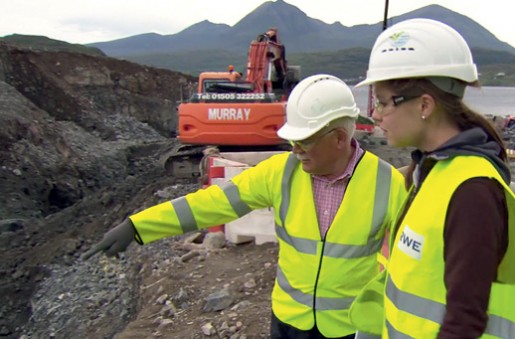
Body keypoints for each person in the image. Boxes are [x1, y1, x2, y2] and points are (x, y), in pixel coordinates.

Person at [82, 74, 408, 339]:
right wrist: (138, 227)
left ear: (339, 138)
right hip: (288, 323)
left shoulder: (387, 184)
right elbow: (210, 205)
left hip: (348, 330)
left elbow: (405, 268)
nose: (295, 149)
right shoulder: (279, 173)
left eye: (304, 140)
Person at [350, 19, 515, 338]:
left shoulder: (472, 191)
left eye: (382, 102)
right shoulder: (433, 171)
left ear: (424, 104)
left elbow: (465, 322)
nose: (376, 115)